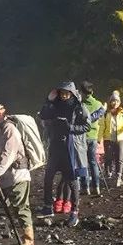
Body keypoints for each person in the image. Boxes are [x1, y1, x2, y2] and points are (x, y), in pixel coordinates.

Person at [0, 104, 35, 245]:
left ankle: (28, 242)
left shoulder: (9, 129)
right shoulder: (2, 129)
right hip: (11, 175)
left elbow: (8, 154)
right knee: (14, 208)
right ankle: (23, 239)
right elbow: (1, 155)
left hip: (18, 175)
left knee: (21, 208)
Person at [38, 82, 90, 228]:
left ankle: (74, 211)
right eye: (61, 93)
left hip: (70, 147)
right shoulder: (54, 105)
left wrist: (70, 127)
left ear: (72, 93)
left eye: (66, 93)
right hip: (55, 146)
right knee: (48, 177)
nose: (64, 96)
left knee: (72, 181)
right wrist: (48, 100)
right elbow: (42, 115)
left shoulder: (79, 107)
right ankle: (48, 205)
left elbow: (87, 126)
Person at [79, 82, 107, 198]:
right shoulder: (98, 104)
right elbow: (99, 114)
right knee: (93, 162)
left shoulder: (80, 105)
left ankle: (85, 187)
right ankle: (96, 187)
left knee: (83, 163)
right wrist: (103, 109)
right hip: (93, 137)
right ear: (92, 92)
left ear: (81, 92)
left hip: (82, 137)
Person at [99, 91, 123, 188]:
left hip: (120, 138)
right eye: (113, 101)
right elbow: (101, 126)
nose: (115, 103)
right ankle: (108, 175)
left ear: (119, 102)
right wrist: (99, 138)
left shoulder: (122, 113)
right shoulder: (106, 113)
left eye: (117, 101)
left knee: (119, 158)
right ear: (110, 102)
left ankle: (118, 176)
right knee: (108, 158)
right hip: (108, 139)